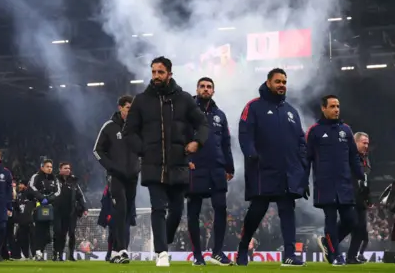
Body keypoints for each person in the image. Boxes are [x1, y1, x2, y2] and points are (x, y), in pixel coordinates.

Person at [122, 56, 209, 267]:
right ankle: (161, 252)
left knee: (177, 211)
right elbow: (128, 132)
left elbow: (203, 124)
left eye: (160, 72)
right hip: (153, 165)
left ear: (169, 73)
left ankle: (165, 239)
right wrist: (143, 150)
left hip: (179, 164)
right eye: (153, 72)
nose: (156, 76)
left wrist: (197, 142)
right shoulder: (141, 100)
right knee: (158, 208)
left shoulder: (185, 98)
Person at [237, 68, 309, 267]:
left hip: (288, 172)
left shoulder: (291, 112)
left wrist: (302, 168)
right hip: (262, 170)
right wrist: (251, 154)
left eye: (284, 81)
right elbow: (245, 133)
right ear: (268, 83)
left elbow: (301, 141)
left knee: (288, 210)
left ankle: (289, 254)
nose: (282, 85)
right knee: (257, 211)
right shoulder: (253, 107)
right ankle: (243, 247)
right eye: (278, 81)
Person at [308, 95, 363, 266]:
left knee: (351, 220)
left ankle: (328, 243)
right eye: (332, 106)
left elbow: (354, 155)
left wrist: (361, 175)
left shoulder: (346, 130)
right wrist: (302, 182)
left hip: (344, 184)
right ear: (323, 108)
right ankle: (335, 256)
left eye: (338, 106)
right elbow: (306, 158)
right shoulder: (314, 131)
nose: (336, 109)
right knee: (330, 219)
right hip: (325, 184)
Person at [186, 77, 234, 266]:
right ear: (197, 89)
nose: (206, 89)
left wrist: (229, 166)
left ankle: (217, 252)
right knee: (193, 212)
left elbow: (226, 142)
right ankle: (197, 256)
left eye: (209, 87)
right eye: (202, 86)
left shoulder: (220, 115)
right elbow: (179, 137)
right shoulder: (187, 112)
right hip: (195, 167)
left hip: (217, 169)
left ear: (213, 91)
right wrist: (185, 160)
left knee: (221, 209)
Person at [93, 94, 139, 264]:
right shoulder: (110, 126)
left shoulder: (137, 127)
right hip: (116, 177)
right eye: (128, 108)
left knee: (127, 214)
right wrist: (111, 167)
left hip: (133, 177)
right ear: (120, 108)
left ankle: (118, 251)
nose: (131, 111)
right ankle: (120, 250)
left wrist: (139, 165)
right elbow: (97, 150)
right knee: (120, 211)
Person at [344, 132, 371, 264]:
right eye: (363, 142)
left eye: (367, 143)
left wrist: (368, 197)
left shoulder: (365, 159)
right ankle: (328, 241)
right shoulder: (349, 157)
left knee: (360, 228)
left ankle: (351, 257)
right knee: (351, 223)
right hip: (350, 195)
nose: (366, 146)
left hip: (361, 197)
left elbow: (366, 180)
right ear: (355, 142)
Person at [53, 162, 87, 262]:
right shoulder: (55, 180)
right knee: (59, 233)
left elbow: (80, 195)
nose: (68, 170)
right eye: (65, 168)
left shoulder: (74, 181)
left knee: (71, 233)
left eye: (69, 168)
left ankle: (71, 255)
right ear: (60, 169)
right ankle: (57, 254)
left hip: (71, 211)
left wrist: (85, 208)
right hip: (58, 211)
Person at [28, 158, 61, 261]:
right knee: (38, 230)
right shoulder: (36, 176)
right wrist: (41, 197)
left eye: (51, 167)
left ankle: (39, 252)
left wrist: (49, 199)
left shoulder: (54, 178)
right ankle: (37, 252)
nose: (49, 169)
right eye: (47, 166)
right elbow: (31, 187)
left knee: (47, 234)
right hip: (37, 206)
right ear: (42, 167)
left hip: (50, 207)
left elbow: (58, 191)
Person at [13, 180, 35, 260]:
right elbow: (17, 207)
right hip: (21, 221)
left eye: (21, 184)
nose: (19, 186)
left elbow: (35, 205)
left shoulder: (30, 194)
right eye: (19, 184)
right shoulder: (19, 195)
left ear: (25, 185)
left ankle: (34, 255)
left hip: (30, 220)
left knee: (32, 238)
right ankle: (25, 256)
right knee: (22, 239)